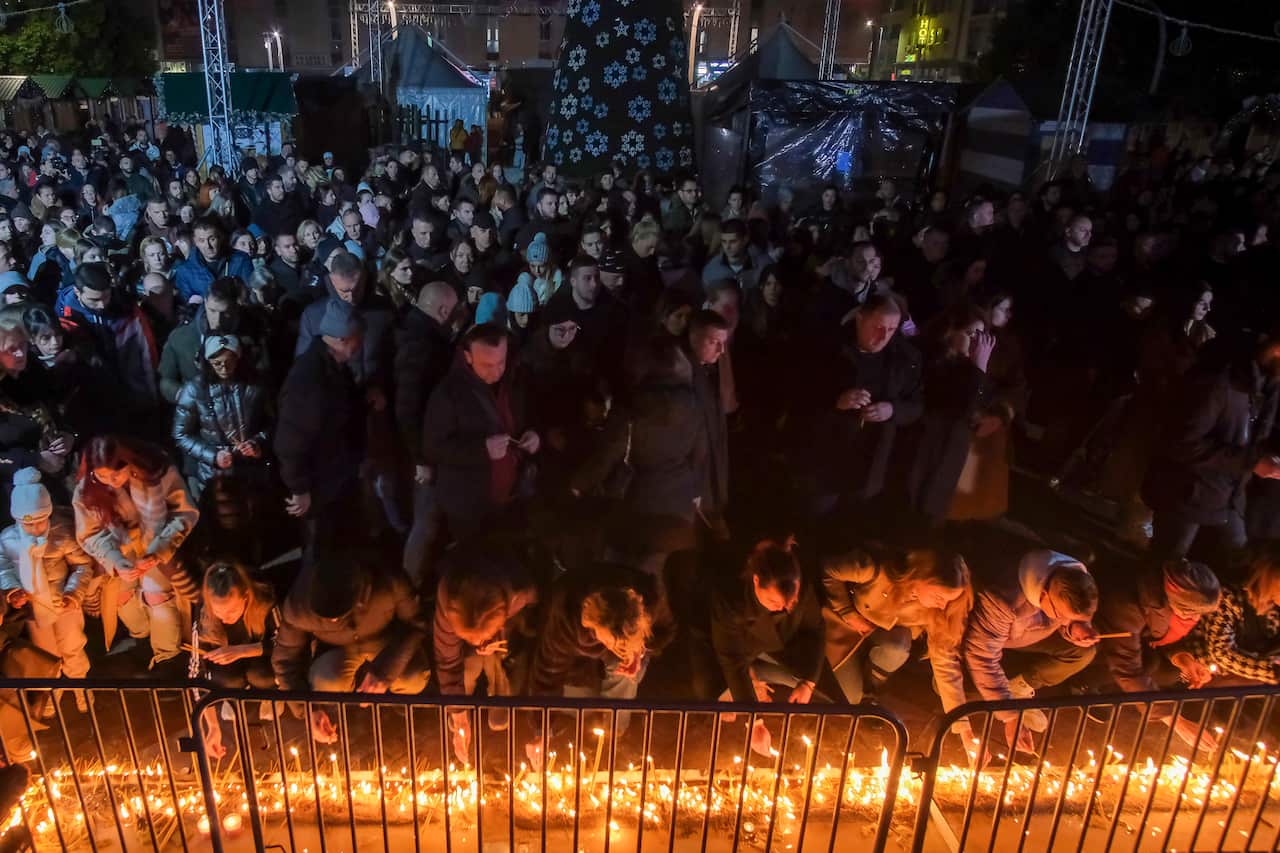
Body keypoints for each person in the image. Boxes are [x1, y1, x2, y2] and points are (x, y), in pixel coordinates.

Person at [1143, 331, 1280, 559]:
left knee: (1240, 564)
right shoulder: (1218, 380)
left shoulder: (1268, 387)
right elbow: (1181, 443)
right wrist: (1252, 462)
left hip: (1228, 495)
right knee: (1167, 567)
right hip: (1187, 494)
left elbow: (1253, 436)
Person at [273, 547, 429, 743]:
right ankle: (335, 713)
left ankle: (398, 711)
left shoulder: (388, 582)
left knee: (413, 678)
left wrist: (385, 671)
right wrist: (307, 709)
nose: (333, 622)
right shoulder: (299, 605)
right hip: (337, 650)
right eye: (327, 618)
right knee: (327, 680)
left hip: (384, 642)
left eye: (339, 616)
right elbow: (285, 661)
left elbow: (416, 624)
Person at [72, 436, 200, 671]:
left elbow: (184, 512)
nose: (111, 482)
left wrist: (159, 550)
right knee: (121, 596)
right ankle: (141, 637)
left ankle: (167, 656)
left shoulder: (156, 471)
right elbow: (90, 533)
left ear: (128, 462)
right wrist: (115, 560)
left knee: (157, 595)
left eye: (116, 475)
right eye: (102, 476)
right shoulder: (86, 491)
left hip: (157, 541)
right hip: (120, 548)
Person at [963, 549, 1100, 751]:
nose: (1064, 618)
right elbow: (982, 656)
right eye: (1061, 614)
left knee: (1084, 652)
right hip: (988, 640)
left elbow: (1070, 612)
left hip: (1030, 635)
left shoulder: (1074, 578)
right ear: (1043, 595)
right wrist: (1010, 717)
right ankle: (1007, 698)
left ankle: (1018, 688)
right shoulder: (1002, 600)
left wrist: (1074, 627)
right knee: (962, 692)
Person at [821, 547, 971, 720]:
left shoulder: (933, 610)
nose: (943, 606)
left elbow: (944, 660)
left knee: (897, 647)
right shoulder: (876, 570)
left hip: (884, 639)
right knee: (847, 701)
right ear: (923, 576)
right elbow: (829, 570)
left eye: (948, 601)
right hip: (846, 630)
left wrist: (961, 723)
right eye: (939, 597)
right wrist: (847, 612)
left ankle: (870, 693)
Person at [812, 293, 923, 522]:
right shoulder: (830, 349)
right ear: (860, 319)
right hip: (828, 458)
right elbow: (803, 393)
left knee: (854, 523)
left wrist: (892, 410)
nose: (884, 336)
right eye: (878, 327)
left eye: (892, 329)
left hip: (871, 463)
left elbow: (916, 405)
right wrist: (838, 401)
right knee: (817, 517)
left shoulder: (905, 357)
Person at [422, 323, 539, 540]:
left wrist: (533, 435)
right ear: (467, 356)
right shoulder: (448, 393)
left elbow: (527, 417)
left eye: (500, 362)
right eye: (486, 365)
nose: (496, 372)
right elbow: (433, 447)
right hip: (470, 506)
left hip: (513, 497)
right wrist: (482, 450)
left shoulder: (515, 379)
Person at [709, 539, 823, 755]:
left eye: (790, 602)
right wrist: (754, 723)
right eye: (773, 601)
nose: (783, 608)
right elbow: (731, 659)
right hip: (735, 647)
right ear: (755, 581)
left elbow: (816, 628)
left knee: (836, 696)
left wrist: (808, 682)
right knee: (710, 691)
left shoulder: (797, 585)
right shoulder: (730, 598)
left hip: (777, 647)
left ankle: (756, 675)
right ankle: (743, 682)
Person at [274, 301, 367, 559]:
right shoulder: (310, 378)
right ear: (341, 339)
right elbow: (290, 441)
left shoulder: (332, 368)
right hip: (319, 486)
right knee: (321, 552)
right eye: (357, 337)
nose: (360, 343)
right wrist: (299, 489)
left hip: (334, 478)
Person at [1097, 559, 1222, 746]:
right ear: (1176, 603)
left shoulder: (1161, 592)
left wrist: (1183, 659)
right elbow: (1126, 665)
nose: (1196, 618)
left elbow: (1160, 635)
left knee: (1171, 672)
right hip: (1095, 640)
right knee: (1148, 665)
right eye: (1191, 613)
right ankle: (1083, 686)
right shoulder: (1128, 604)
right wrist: (1175, 721)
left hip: (1131, 644)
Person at [434, 541, 540, 762]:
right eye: (467, 636)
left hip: (508, 638)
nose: (478, 642)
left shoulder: (522, 590)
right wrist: (458, 713)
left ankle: (502, 705)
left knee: (500, 715)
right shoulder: (448, 597)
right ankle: (462, 709)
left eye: (481, 636)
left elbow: (536, 625)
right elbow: (447, 659)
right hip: (475, 640)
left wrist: (504, 635)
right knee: (466, 667)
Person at [0, 469, 93, 696]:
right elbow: (3, 567)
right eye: (27, 524)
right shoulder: (8, 539)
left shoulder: (62, 534)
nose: (34, 529)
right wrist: (12, 591)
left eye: (40, 522)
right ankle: (51, 694)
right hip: (34, 611)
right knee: (45, 653)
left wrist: (73, 594)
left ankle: (80, 686)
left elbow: (83, 566)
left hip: (64, 605)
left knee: (73, 647)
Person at [395, 281, 459, 585]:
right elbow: (408, 406)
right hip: (425, 451)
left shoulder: (414, 333)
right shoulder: (423, 345)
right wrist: (420, 457)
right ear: (444, 310)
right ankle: (411, 587)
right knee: (426, 521)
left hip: (426, 446)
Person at [1187, 547, 1280, 686]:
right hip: (1213, 675)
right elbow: (1221, 653)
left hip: (1255, 676)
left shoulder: (1273, 609)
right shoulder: (1227, 598)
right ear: (1270, 578)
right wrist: (1272, 673)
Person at [172, 218, 254, 304]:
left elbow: (251, 297)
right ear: (195, 241)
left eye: (212, 239)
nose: (208, 246)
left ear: (220, 237)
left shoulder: (241, 260)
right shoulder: (184, 271)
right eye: (202, 240)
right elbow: (184, 307)